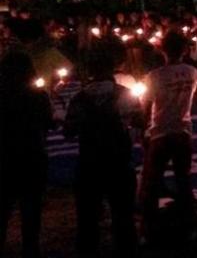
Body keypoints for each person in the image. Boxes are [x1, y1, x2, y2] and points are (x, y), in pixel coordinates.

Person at [64, 44, 143, 255]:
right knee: (123, 218)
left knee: (87, 220)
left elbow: (69, 131)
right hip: (119, 163)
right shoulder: (125, 94)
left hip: (89, 164)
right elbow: (141, 121)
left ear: (90, 71)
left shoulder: (79, 98)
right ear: (111, 69)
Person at [139, 31, 197, 240]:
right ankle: (189, 225)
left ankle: (149, 228)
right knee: (183, 179)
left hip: (161, 132)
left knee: (152, 181)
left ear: (163, 50)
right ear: (184, 50)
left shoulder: (155, 76)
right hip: (183, 130)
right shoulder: (192, 72)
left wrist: (144, 130)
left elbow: (146, 106)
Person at [0, 52, 52, 258]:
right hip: (32, 156)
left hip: (5, 157)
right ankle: (30, 248)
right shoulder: (38, 96)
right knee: (31, 209)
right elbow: (47, 122)